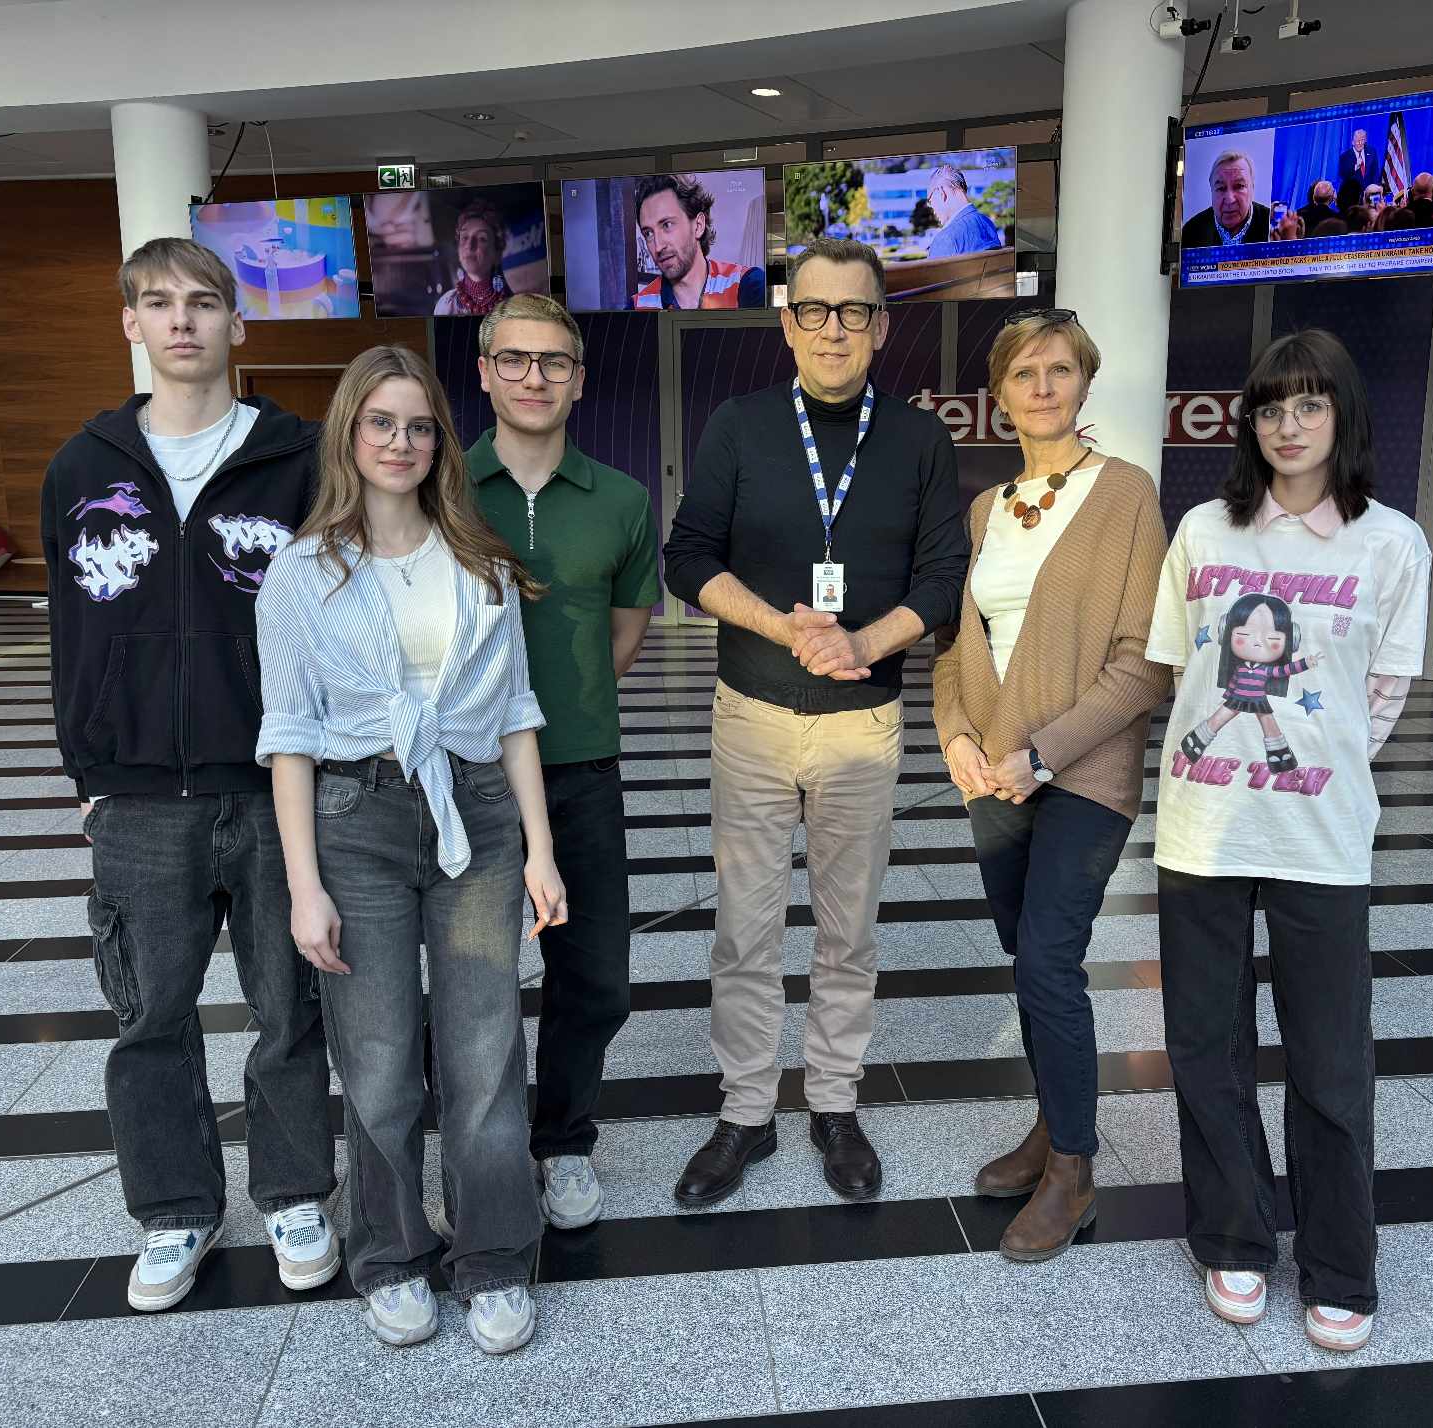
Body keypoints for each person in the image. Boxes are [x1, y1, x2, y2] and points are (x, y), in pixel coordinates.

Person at [40, 236, 337, 1313]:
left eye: (203, 302)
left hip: (270, 782)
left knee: (289, 1006)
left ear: (236, 323)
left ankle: (295, 1192)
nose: (181, 320)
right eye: (158, 303)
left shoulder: (298, 460)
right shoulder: (83, 468)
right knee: (149, 1018)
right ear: (130, 322)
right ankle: (175, 1209)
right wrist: (87, 768)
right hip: (134, 796)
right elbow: (72, 628)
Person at [255, 345, 567, 1354]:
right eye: (381, 423)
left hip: (477, 813)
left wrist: (540, 850)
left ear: (441, 442)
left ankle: (492, 1255)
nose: (401, 442)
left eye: (420, 426)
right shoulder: (300, 573)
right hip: (357, 819)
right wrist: (304, 887)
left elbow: (515, 714)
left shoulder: (478, 560)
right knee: (380, 1060)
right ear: (349, 432)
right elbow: (289, 738)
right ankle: (390, 1254)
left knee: (483, 1051)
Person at [663, 237, 968, 1207]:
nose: (833, 329)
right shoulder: (739, 426)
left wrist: (862, 642)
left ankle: (833, 1102)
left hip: (861, 724)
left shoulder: (918, 440)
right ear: (788, 325)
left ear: (880, 328)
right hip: (750, 716)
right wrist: (784, 627)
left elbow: (943, 578)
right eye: (814, 310)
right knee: (744, 932)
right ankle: (746, 1112)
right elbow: (687, 556)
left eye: (853, 312)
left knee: (847, 932)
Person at [1145, 328, 1430, 1356]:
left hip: (1322, 837)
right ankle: (1232, 1234)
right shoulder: (1203, 531)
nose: (1288, 426)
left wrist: (1313, 764)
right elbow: (1175, 670)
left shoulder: (1390, 543)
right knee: (1206, 1046)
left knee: (1329, 1058)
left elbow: (1381, 695)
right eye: (1270, 408)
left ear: (1342, 416)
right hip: (1202, 832)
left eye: (1309, 405)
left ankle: (1340, 1263)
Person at [932, 310, 1169, 1262]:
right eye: (1024, 373)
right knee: (1025, 958)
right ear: (999, 394)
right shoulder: (986, 510)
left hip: (1083, 772)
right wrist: (955, 735)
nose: (1042, 387)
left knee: (1047, 960)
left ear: (1084, 383)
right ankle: (1050, 1124)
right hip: (993, 772)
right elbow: (959, 646)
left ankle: (1074, 1168)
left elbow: (1145, 661)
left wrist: (1043, 753)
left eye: (1060, 370)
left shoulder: (1126, 494)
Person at [466, 293, 662, 1229]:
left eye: (553, 362)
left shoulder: (622, 501)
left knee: (593, 976)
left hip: (581, 770)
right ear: (484, 373)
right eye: (514, 359)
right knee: (471, 979)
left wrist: (561, 710)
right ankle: (483, 1144)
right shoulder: (441, 490)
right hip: (463, 773)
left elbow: (624, 636)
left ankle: (565, 1140)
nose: (534, 377)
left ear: (580, 380)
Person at [631, 174, 767, 310]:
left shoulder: (747, 284)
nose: (658, 247)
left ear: (698, 226)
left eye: (667, 225)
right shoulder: (637, 306)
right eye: (648, 233)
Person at [434, 199, 513, 316]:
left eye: (482, 238)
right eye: (464, 237)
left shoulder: (512, 306)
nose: (470, 246)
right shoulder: (446, 305)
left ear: (497, 253)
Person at [1181, 151, 1272, 247]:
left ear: (1252, 188)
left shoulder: (1272, 225)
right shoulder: (1191, 232)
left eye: (1239, 186)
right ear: (1211, 190)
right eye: (1221, 188)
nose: (1230, 200)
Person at [924, 163, 1005, 257]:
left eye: (931, 201)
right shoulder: (987, 223)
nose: (933, 211)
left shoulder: (945, 239)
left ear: (942, 193)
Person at [1337, 127, 1380, 193]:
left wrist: (1375, 189)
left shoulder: (1372, 152)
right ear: (1352, 142)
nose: (1359, 143)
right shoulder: (1344, 156)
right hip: (1352, 193)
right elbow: (1343, 175)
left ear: (1365, 141)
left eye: (1362, 140)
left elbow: (1375, 172)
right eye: (1357, 140)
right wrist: (1355, 167)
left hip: (1369, 192)